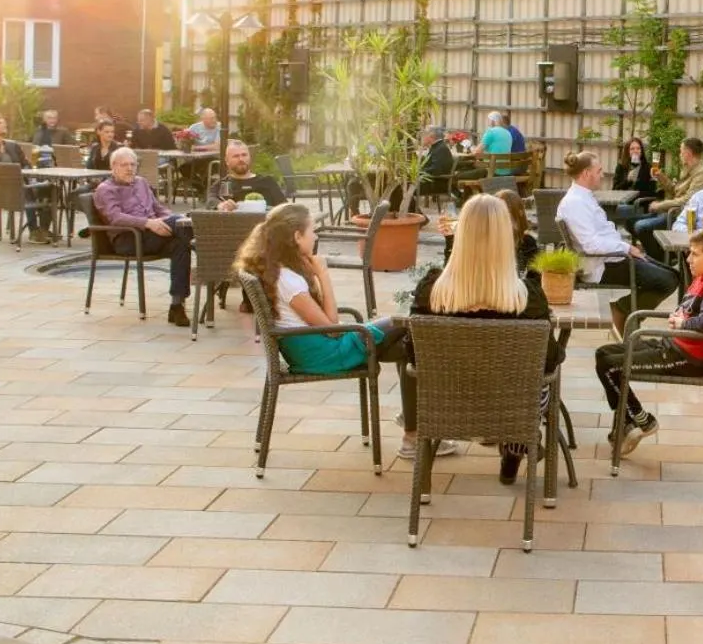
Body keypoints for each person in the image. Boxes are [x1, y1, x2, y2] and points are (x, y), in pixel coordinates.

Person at [408, 194, 564, 482]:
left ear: (461, 234)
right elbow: (548, 361)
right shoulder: (527, 299)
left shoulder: (431, 293)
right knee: (538, 384)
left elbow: (414, 354)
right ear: (507, 236)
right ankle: (515, 441)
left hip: (448, 401)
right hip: (513, 404)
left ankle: (509, 444)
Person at [234, 201, 418, 444]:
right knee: (407, 322)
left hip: (316, 349)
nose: (315, 236)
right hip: (325, 354)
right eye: (312, 231)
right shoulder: (289, 282)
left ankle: (412, 428)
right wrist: (323, 275)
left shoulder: (276, 271)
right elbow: (331, 326)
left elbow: (325, 323)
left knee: (406, 345)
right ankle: (416, 430)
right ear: (297, 236)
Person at [595, 227, 703, 458]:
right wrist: (679, 320)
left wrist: (682, 324)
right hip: (673, 346)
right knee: (603, 354)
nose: (688, 258)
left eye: (694, 254)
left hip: (685, 357)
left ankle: (640, 421)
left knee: (612, 366)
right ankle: (630, 423)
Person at [556, 151, 680, 334]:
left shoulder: (583, 197)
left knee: (672, 274)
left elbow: (601, 234)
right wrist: (626, 247)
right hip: (603, 264)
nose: (602, 175)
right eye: (598, 171)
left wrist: (627, 248)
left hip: (614, 257)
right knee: (668, 280)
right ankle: (622, 312)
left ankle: (627, 317)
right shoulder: (575, 203)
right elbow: (591, 245)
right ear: (586, 174)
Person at [94, 147, 195, 327]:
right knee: (186, 226)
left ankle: (176, 305)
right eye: (124, 165)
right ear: (113, 167)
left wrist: (167, 219)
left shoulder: (141, 182)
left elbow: (159, 208)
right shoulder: (105, 189)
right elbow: (115, 218)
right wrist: (149, 223)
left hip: (153, 236)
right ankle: (206, 250)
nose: (130, 168)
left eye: (133, 164)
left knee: (181, 243)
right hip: (128, 239)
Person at [0, 114, 55, 243]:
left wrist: (33, 174)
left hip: (21, 185)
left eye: (4, 123)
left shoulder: (12, 145)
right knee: (25, 190)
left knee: (51, 189)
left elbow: (25, 164)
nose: (4, 125)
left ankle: (42, 230)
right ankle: (33, 231)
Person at [632, 137, 703, 262]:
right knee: (631, 223)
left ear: (687, 154)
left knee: (641, 227)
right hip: (670, 211)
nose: (680, 154)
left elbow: (687, 201)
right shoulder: (687, 168)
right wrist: (660, 176)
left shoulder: (702, 173)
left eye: (681, 151)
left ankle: (661, 261)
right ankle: (659, 257)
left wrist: (659, 205)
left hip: (679, 215)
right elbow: (674, 190)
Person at [207, 140, 288, 210]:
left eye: (244, 155)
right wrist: (220, 205)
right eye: (236, 156)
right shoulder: (222, 184)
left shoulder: (267, 181)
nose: (241, 159)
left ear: (249, 157)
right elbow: (210, 200)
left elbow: (284, 207)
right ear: (227, 161)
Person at [612, 137, 660, 221]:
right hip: (622, 202)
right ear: (627, 152)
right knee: (607, 209)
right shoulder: (621, 167)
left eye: (638, 148)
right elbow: (615, 189)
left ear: (641, 151)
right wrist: (627, 181)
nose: (635, 151)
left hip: (639, 204)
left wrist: (634, 197)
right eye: (632, 149)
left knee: (617, 210)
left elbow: (652, 193)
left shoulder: (648, 168)